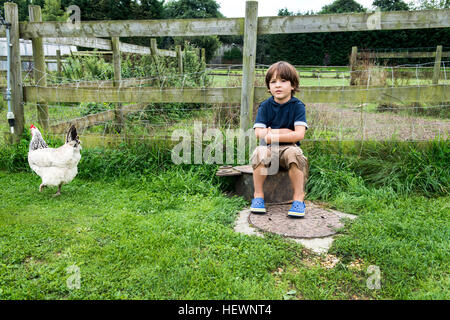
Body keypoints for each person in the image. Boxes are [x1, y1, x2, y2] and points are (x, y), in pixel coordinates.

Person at [250, 61, 308, 218]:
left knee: (294, 155)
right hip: (268, 148)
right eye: (273, 81)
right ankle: (258, 196)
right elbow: (259, 134)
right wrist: (286, 131)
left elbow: (299, 135)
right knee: (259, 152)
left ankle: (298, 199)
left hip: (289, 148)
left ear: (293, 85)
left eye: (283, 81)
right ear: (269, 87)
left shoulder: (298, 106)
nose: (278, 85)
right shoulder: (265, 106)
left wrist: (271, 134)